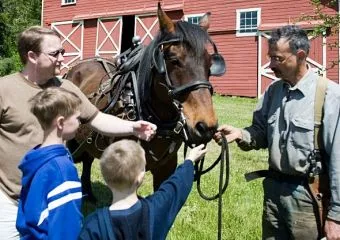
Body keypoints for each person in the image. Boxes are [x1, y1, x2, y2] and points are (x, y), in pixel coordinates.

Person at [0, 26, 156, 240]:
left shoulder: (65, 88)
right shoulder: (4, 89)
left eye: (63, 51)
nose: (63, 58)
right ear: (32, 56)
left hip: (55, 197)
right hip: (10, 199)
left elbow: (96, 119)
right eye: (55, 53)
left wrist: (132, 127)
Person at [214, 25, 340, 239]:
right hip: (273, 193)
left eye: (277, 58)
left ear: (300, 56)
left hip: (309, 197)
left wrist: (336, 216)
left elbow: (339, 160)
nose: (270, 65)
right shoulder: (273, 92)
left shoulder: (329, 95)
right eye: (270, 57)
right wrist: (240, 134)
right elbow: (261, 132)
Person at [78, 140, 207, 240]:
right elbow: (176, 186)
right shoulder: (157, 209)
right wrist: (190, 160)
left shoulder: (94, 225)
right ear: (141, 176)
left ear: (105, 178)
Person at [16, 87, 84, 239]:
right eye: (77, 118)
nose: (80, 123)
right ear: (60, 122)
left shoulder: (35, 158)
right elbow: (65, 228)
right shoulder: (62, 169)